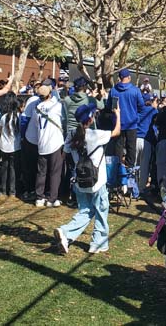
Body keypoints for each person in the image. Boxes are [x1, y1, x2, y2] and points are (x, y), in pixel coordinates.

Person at [55, 102, 121, 254]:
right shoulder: (95, 135)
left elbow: (64, 153)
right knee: (101, 210)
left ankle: (65, 233)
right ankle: (98, 243)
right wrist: (118, 115)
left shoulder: (71, 134)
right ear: (90, 119)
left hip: (79, 180)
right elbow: (116, 132)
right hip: (97, 181)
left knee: (85, 211)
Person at [33, 85, 66, 207]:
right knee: (55, 172)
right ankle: (52, 198)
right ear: (49, 94)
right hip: (55, 142)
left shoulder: (36, 108)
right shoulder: (56, 106)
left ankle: (39, 197)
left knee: (41, 172)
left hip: (42, 143)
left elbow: (37, 124)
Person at [107, 68, 145, 168]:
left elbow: (108, 107)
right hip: (132, 124)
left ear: (119, 78)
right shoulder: (135, 91)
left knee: (118, 149)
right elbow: (142, 107)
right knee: (131, 148)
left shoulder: (113, 90)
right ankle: (130, 171)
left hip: (117, 125)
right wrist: (137, 118)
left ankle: (118, 171)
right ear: (128, 77)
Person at [0, 93, 22, 197]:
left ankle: (3, 189)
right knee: (13, 169)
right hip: (15, 146)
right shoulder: (19, 117)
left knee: (4, 167)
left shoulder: (3, 117)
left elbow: (0, 131)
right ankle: (12, 191)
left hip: (4, 146)